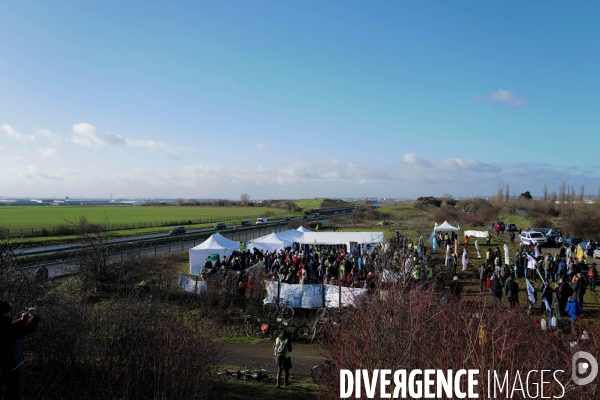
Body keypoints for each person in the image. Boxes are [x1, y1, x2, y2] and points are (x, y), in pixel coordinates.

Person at [0, 301, 40, 400]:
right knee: (11, 394)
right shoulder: (6, 328)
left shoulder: (4, 327)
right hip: (8, 368)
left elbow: (10, 328)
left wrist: (22, 320)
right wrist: (33, 316)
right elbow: (29, 329)